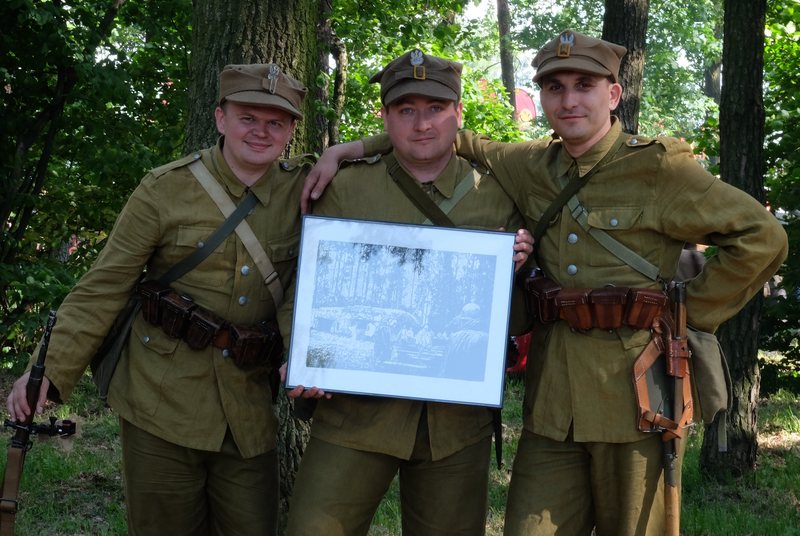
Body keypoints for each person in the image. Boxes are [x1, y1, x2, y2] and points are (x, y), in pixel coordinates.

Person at [304, 30, 789, 536]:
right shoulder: (531, 164)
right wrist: (347, 150)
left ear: (613, 94)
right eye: (555, 88)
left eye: (584, 85)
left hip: (637, 394)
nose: (569, 100)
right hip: (553, 398)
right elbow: (441, 134)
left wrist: (686, 314)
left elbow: (764, 238)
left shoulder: (658, 167)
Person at [6, 63, 313, 536]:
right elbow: (105, 285)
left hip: (247, 406)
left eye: (276, 122)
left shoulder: (306, 190)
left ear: (291, 131)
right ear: (220, 118)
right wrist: (48, 371)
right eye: (248, 117)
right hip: (160, 399)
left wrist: (350, 149)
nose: (261, 131)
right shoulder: (165, 189)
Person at [285, 49, 532, 536]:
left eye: (436, 108)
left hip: (454, 424)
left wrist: (518, 272)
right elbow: (304, 283)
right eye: (406, 110)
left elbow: (520, 318)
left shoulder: (499, 193)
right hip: (354, 415)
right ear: (385, 117)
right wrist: (300, 356)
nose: (422, 124)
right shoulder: (344, 188)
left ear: (458, 113)